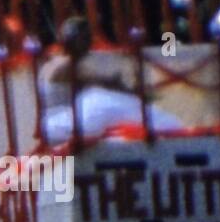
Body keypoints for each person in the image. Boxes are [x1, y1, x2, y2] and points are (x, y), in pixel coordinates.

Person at [37, 17, 186, 144]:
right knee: (105, 101)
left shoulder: (60, 63)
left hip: (61, 122)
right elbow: (95, 81)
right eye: (84, 38)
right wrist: (125, 89)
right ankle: (168, 127)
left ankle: (165, 126)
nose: (88, 42)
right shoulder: (62, 66)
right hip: (63, 122)